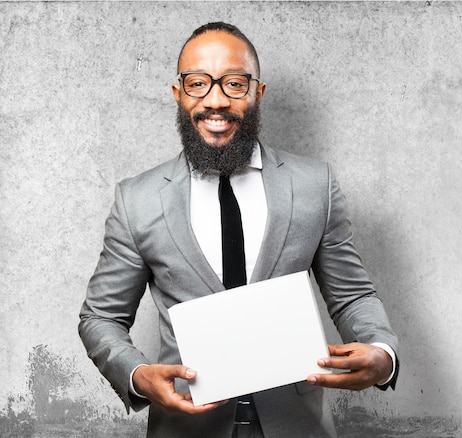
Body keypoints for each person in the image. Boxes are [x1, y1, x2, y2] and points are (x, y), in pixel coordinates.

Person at [79, 22, 398, 438]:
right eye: (197, 83)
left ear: (257, 93)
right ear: (179, 94)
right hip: (184, 429)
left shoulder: (313, 184)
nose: (215, 101)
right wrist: (138, 375)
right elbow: (100, 317)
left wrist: (383, 352)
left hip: (297, 428)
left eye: (234, 83)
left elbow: (352, 296)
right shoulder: (136, 200)